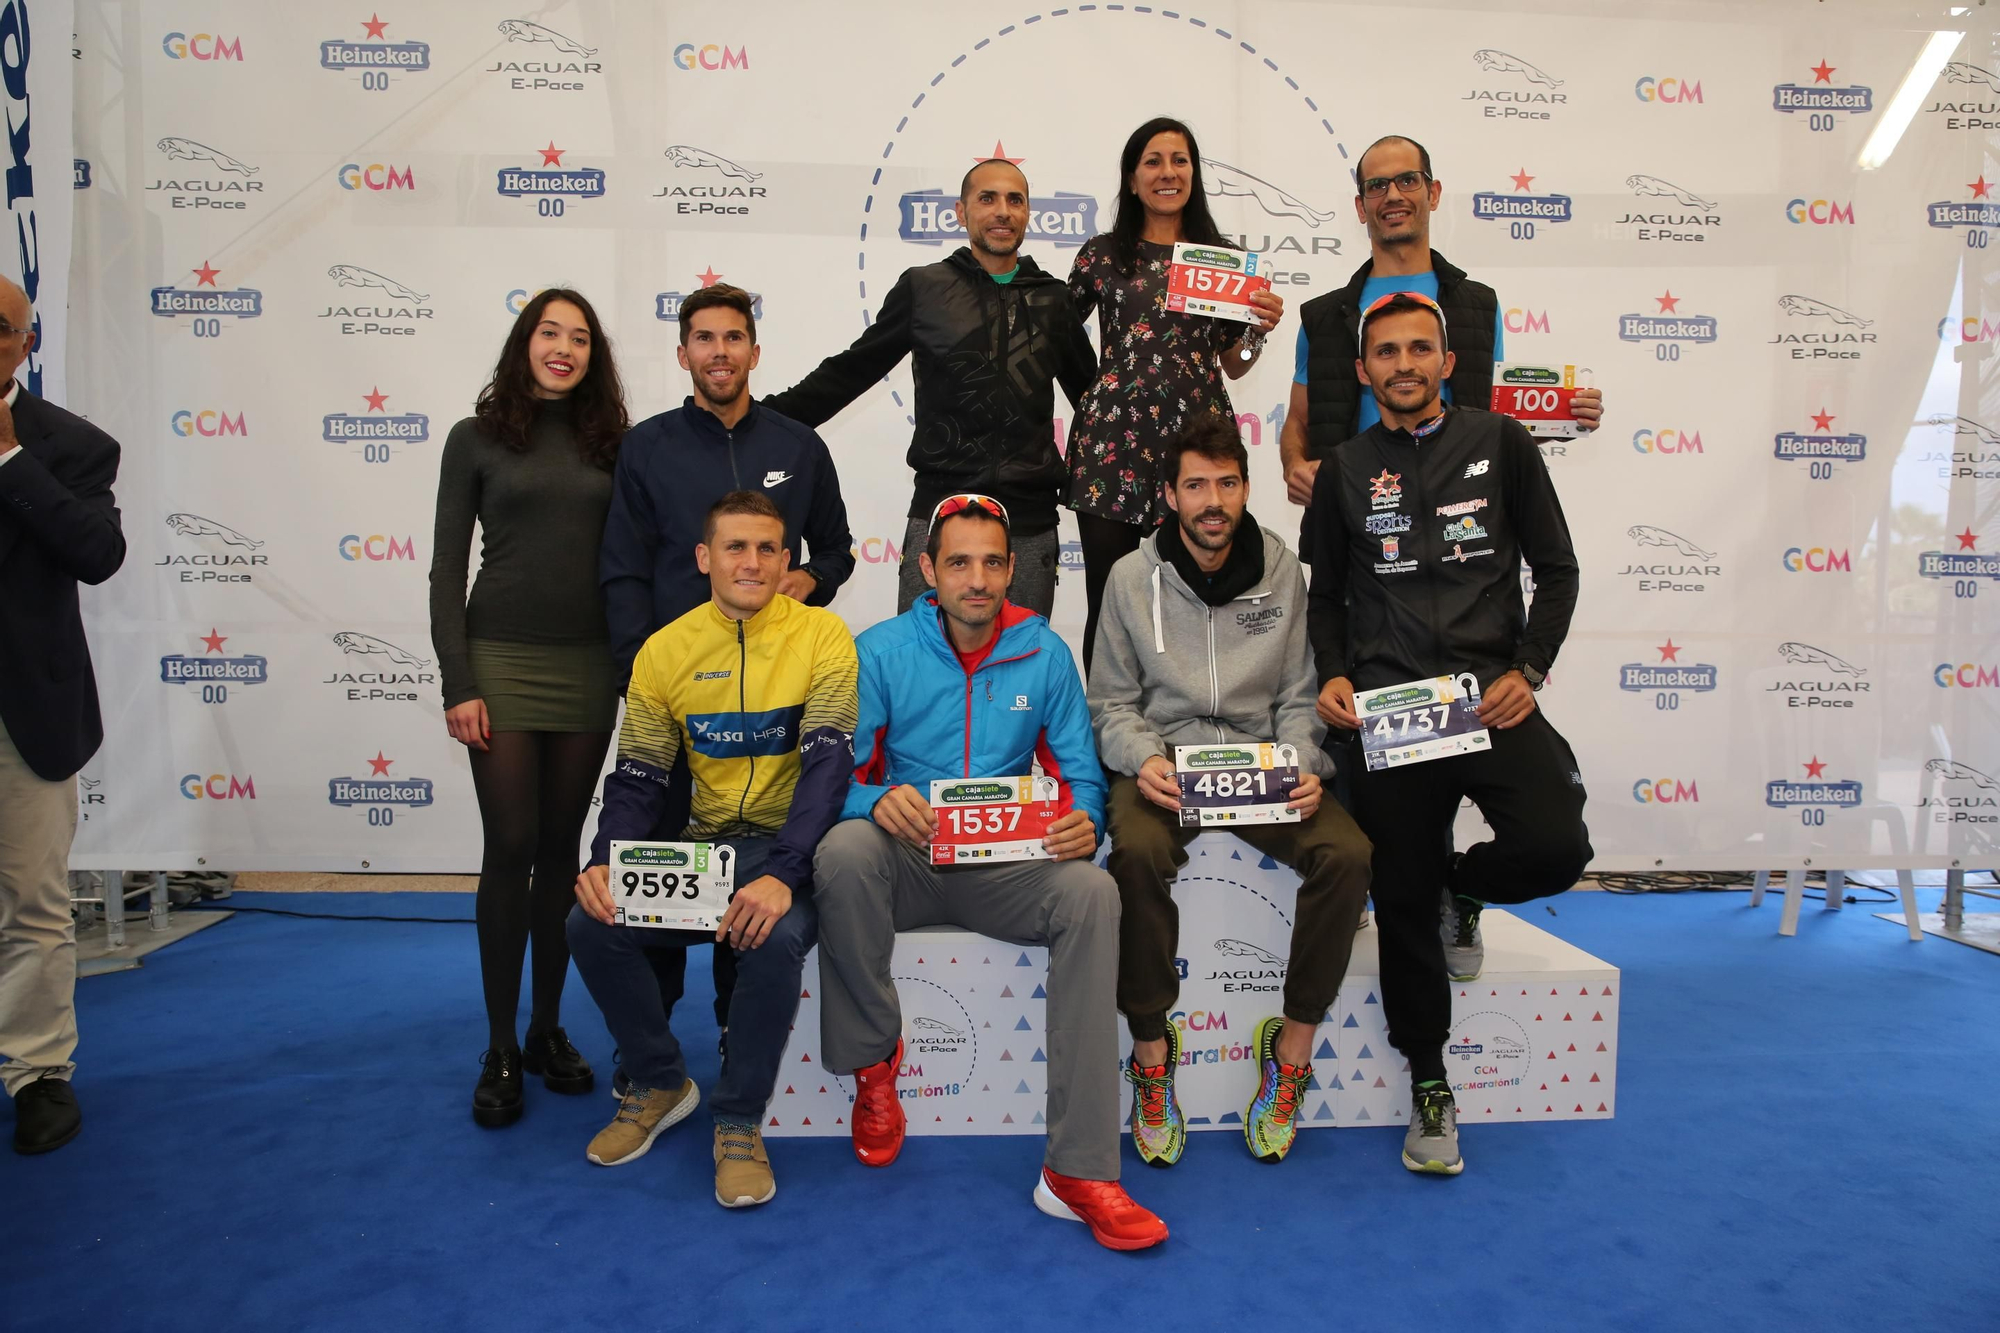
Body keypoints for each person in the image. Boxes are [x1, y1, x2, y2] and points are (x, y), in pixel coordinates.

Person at [812, 494, 1168, 1252]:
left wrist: (1085, 821)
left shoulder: (1044, 653)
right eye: (960, 562)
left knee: (1094, 892)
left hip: (1008, 866)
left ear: (1014, 569)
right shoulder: (877, 650)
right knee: (840, 851)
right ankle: (876, 1064)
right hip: (908, 860)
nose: (978, 578)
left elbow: (1079, 775)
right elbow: (828, 780)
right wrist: (877, 800)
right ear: (926, 571)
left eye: (993, 562)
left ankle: (1077, 1169)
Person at [1307, 292, 1591, 1177]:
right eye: (1385, 352)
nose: (1403, 365)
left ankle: (1461, 888)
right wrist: (1335, 675)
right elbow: (1325, 598)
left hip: (1489, 696)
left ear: (1446, 361)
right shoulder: (1345, 465)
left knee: (1556, 846)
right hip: (1394, 715)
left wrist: (1528, 670)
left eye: (1419, 349)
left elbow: (1558, 568)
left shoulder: (1503, 442)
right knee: (1400, 894)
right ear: (1363, 371)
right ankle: (1430, 1081)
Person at [1089, 415, 1371, 1167]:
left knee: (1347, 853)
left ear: (1245, 488)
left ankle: (1293, 1048)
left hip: (1261, 766)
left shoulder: (1284, 571)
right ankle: (1152, 1055)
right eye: (1195, 485)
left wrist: (1306, 763)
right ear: (1170, 496)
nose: (1212, 500)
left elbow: (1299, 694)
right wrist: (1143, 758)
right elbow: (1110, 702)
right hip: (1170, 767)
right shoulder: (1127, 578)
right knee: (1137, 854)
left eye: (1226, 483)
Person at [569, 492, 857, 1209]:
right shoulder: (664, 650)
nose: (752, 562)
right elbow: (636, 777)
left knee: (776, 933)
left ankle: (737, 1119)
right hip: (701, 850)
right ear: (705, 558)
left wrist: (787, 872)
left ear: (787, 559)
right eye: (735, 547)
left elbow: (828, 767)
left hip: (783, 848)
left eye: (767, 548)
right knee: (589, 920)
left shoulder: (824, 636)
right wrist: (608, 860)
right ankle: (661, 1078)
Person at [599, 282, 854, 1061]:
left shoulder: (798, 445)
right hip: (679, 701)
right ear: (684, 354)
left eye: (733, 338)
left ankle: (734, 1029)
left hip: (770, 694)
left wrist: (805, 582)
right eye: (704, 340)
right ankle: (650, 1045)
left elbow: (837, 548)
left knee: (750, 867)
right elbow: (621, 570)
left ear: (753, 349)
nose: (719, 352)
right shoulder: (647, 447)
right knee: (666, 867)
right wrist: (642, 677)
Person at [430, 288, 629, 1127]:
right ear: (524, 342)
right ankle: (501, 1042)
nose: (564, 347)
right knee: (509, 844)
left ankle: (549, 1030)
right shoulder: (474, 439)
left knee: (560, 847)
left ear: (593, 356)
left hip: (588, 663)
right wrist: (457, 679)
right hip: (501, 659)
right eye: (550, 332)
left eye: (580, 337)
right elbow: (446, 567)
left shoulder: (613, 442)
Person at [766, 159, 1096, 619]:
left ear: (1027, 214)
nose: (1002, 211)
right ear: (961, 213)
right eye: (987, 198)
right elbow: (853, 369)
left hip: (1028, 521)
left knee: (1020, 674)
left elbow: (1097, 404)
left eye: (1014, 200)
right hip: (940, 514)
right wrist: (761, 418)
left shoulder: (1053, 300)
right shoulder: (924, 288)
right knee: (921, 672)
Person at [1277, 134, 1603, 512]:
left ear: (1433, 193)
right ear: (1361, 206)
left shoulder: (1480, 306)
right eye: (1377, 186)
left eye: (1408, 180)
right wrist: (1294, 465)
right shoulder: (1323, 316)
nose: (1393, 195)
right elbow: (1298, 421)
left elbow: (1491, 423)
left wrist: (1563, 418)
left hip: (1462, 519)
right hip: (1354, 525)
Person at [1066, 117, 1282, 676]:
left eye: (1180, 160)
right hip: (1111, 449)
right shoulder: (1100, 255)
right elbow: (1059, 339)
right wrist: (1097, 394)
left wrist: (1258, 330)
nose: (1168, 172)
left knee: (1196, 603)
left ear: (1194, 174)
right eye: (1154, 161)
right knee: (1109, 601)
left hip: (1196, 448)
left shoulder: (1222, 260)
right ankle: (1103, 742)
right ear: (1132, 179)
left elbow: (1235, 364)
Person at [0, 276, 124, 1155]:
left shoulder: (70, 447)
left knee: (33, 901)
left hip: (24, 714)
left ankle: (37, 1070)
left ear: (26, 343)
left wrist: (11, 459)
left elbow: (98, 553)